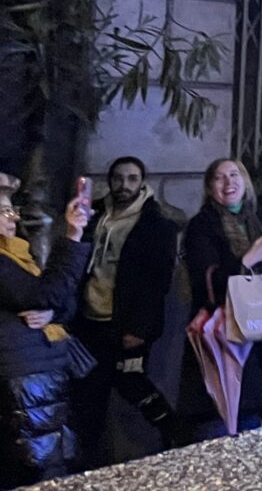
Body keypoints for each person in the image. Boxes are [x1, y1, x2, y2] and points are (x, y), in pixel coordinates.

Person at [75, 156, 181, 461]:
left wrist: (139, 328)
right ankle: (89, 458)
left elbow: (157, 282)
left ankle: (173, 431)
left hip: (127, 321)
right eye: (119, 178)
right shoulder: (93, 215)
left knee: (131, 382)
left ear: (142, 182)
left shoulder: (155, 224)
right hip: (90, 317)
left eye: (132, 178)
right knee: (89, 390)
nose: (124, 185)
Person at [178, 159, 262, 438]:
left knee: (258, 422)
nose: (229, 183)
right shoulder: (201, 225)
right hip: (224, 335)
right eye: (219, 178)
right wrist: (251, 257)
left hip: (260, 332)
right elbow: (207, 282)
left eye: (234, 174)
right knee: (221, 420)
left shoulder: (261, 218)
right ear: (209, 187)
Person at [0, 187, 95, 487]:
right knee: (39, 466)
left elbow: (60, 300)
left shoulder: (17, 254)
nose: (12, 217)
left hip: (39, 376)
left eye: (11, 209)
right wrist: (72, 237)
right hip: (25, 379)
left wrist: (51, 312)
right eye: (3, 211)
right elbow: (48, 293)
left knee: (51, 461)